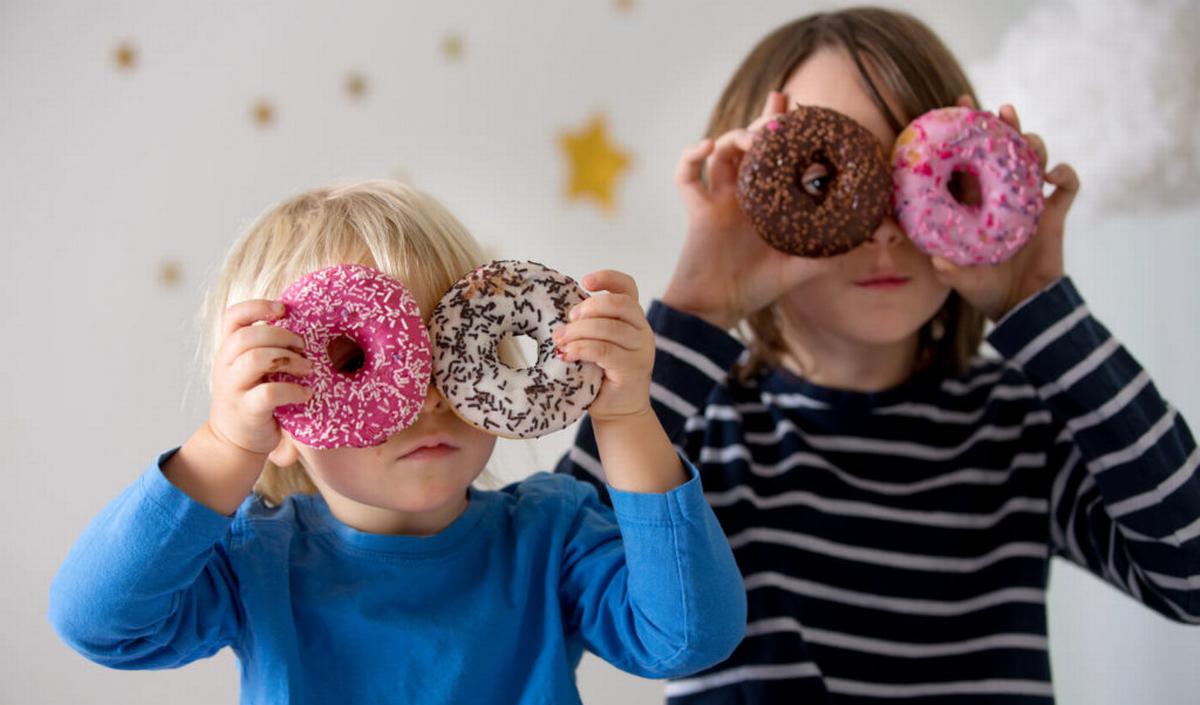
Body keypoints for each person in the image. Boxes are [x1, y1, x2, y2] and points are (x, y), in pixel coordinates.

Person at [554, 7, 1200, 703]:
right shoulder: (690, 433)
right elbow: (556, 584)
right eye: (824, 180)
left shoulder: (1018, 427)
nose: (887, 228)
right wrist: (700, 308)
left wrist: (1038, 303)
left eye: (923, 178)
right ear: (755, 195)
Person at [49, 180, 746, 705]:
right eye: (358, 360)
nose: (428, 396)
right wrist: (225, 444)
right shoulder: (257, 562)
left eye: (450, 349)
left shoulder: (551, 534)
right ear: (279, 424)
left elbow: (687, 635)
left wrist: (624, 417)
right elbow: (100, 623)